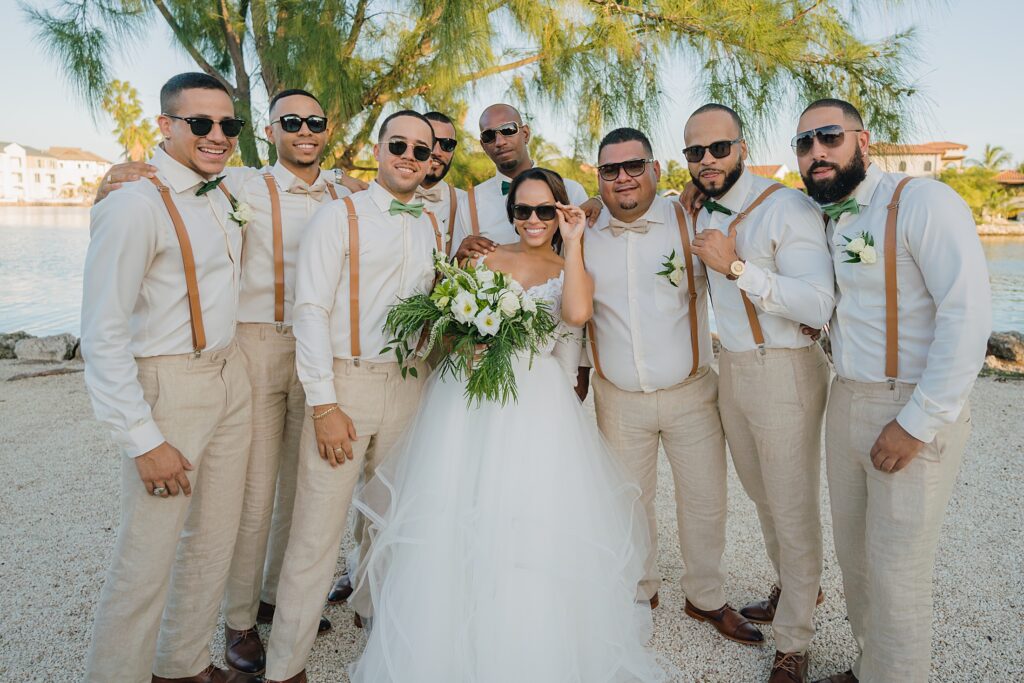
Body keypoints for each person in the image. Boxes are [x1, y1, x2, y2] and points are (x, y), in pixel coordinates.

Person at [348, 167, 667, 682]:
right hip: (467, 398)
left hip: (535, 402)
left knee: (528, 518)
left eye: (546, 210)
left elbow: (578, 314)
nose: (534, 220)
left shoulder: (567, 264)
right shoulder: (485, 256)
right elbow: (448, 324)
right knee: (458, 508)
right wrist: (466, 341)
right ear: (512, 214)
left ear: (561, 211)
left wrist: (576, 240)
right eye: (524, 210)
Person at [793, 99, 991, 683]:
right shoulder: (828, 213)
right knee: (856, 562)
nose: (816, 152)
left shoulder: (922, 202)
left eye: (828, 136)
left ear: (864, 140)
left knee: (897, 572)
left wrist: (917, 422)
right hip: (846, 396)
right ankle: (869, 667)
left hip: (909, 403)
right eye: (804, 144)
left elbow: (967, 314)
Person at [261, 110, 443, 683]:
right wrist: (324, 403)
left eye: (422, 148)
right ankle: (285, 666)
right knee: (316, 534)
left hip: (408, 386)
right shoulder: (340, 215)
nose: (409, 156)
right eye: (399, 144)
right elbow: (309, 310)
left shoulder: (429, 224)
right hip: (347, 385)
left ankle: (377, 631)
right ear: (379, 148)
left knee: (388, 522)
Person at [81, 72, 251, 683]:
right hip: (169, 386)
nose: (216, 135)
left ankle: (179, 667)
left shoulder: (226, 192)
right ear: (165, 126)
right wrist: (143, 439)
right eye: (200, 123)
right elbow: (101, 334)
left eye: (228, 125)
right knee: (146, 556)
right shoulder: (133, 203)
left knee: (212, 540)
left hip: (230, 377)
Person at [583, 127, 763, 646]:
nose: (623, 178)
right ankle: (640, 590)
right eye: (610, 170)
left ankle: (705, 596)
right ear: (598, 178)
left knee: (705, 499)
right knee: (628, 501)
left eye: (633, 165)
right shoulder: (581, 229)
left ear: (657, 169)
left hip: (691, 392)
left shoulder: (693, 217)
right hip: (616, 396)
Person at [683, 104, 835, 683]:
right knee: (764, 497)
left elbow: (818, 305)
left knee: (793, 507)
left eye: (718, 149)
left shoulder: (786, 207)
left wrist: (738, 266)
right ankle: (798, 588)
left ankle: (794, 641)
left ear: (741, 146)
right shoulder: (698, 208)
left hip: (786, 371)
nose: (707, 161)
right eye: (695, 152)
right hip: (735, 371)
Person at [218, 88, 350, 675]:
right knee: (253, 492)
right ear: (271, 131)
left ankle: (279, 595)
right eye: (291, 121)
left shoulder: (347, 195)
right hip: (260, 344)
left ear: (327, 130)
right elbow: (177, 183)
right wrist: (127, 170)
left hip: (321, 351)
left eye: (314, 121)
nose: (304, 129)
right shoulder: (239, 186)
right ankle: (239, 619)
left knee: (305, 488)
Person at [452, 103, 589, 260]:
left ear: (525, 133)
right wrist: (458, 258)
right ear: (483, 145)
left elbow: (589, 257)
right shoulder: (470, 202)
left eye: (508, 130)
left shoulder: (571, 191)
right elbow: (456, 268)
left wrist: (599, 201)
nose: (500, 142)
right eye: (489, 136)